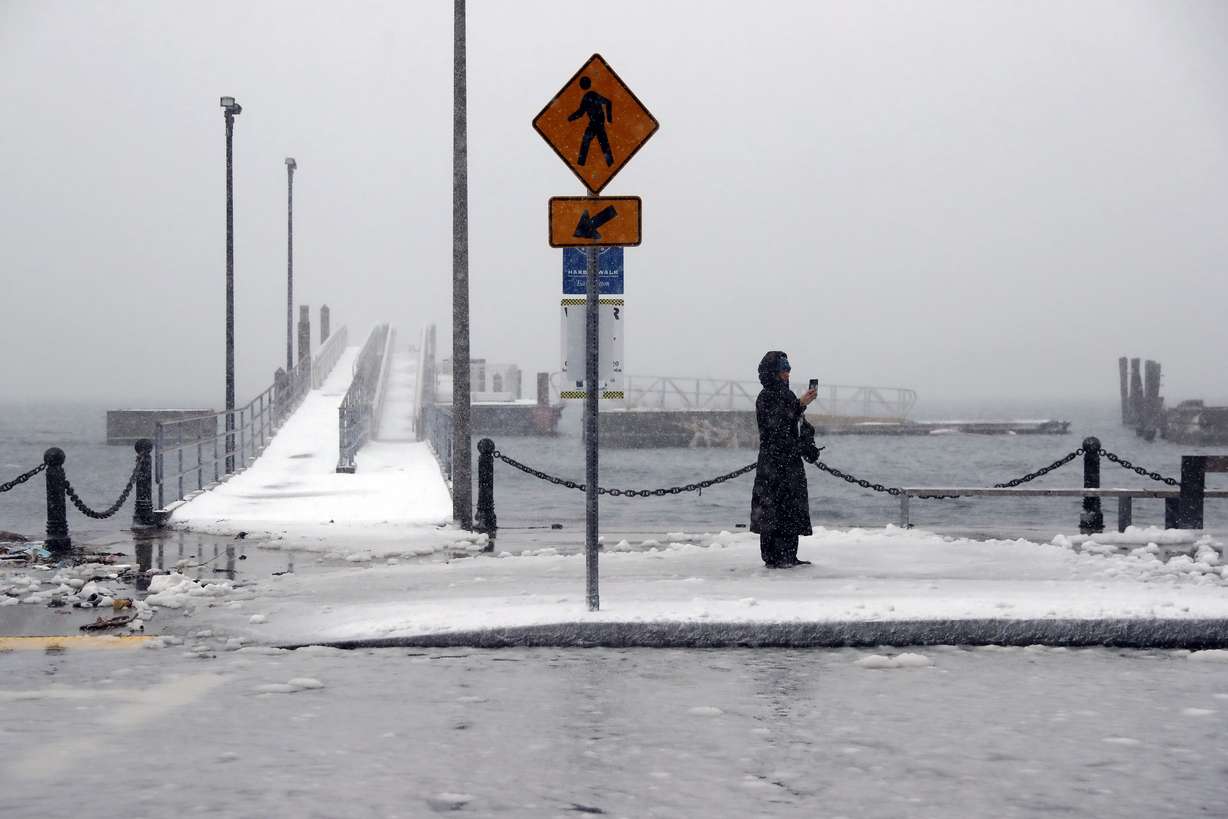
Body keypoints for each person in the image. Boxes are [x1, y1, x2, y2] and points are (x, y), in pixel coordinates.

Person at [750, 351, 822, 568]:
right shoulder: (766, 396)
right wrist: (799, 404)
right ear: (773, 372)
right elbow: (776, 425)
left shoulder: (787, 395)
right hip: (773, 463)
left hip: (789, 462)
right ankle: (773, 556)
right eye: (783, 369)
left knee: (791, 510)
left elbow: (790, 424)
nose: (787, 373)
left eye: (789, 369)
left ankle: (789, 555)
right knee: (773, 511)